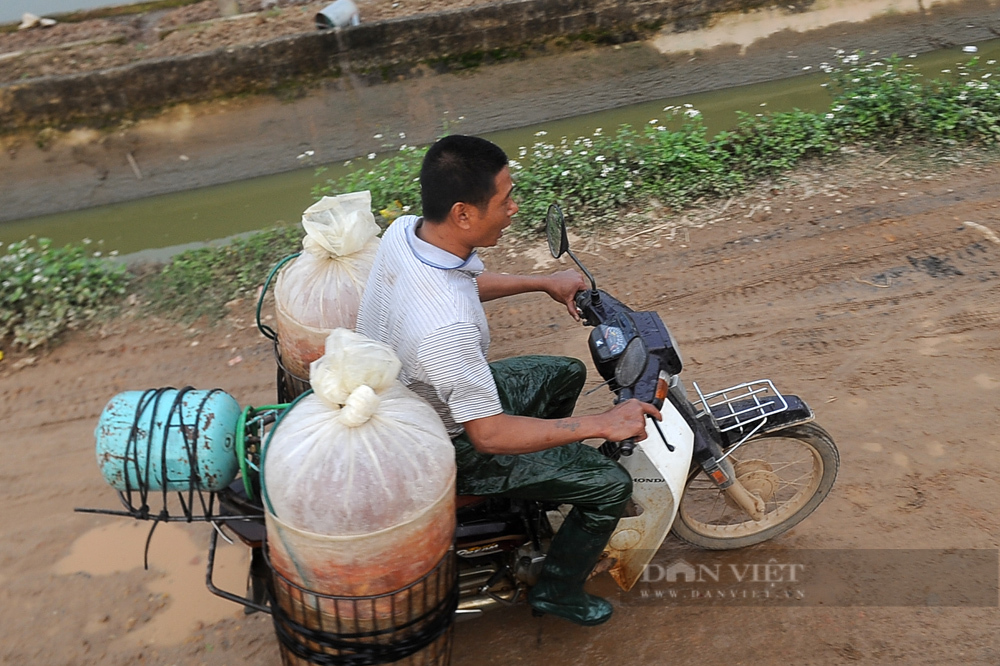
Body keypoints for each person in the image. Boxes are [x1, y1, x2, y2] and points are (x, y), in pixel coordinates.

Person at [356, 134, 660, 626]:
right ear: (462, 214)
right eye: (505, 199)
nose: (514, 208)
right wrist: (601, 423)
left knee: (564, 373)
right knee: (609, 485)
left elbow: (461, 282)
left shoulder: (407, 234)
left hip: (415, 392)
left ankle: (543, 487)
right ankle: (559, 591)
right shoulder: (446, 329)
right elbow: (489, 435)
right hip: (446, 440)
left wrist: (542, 282)